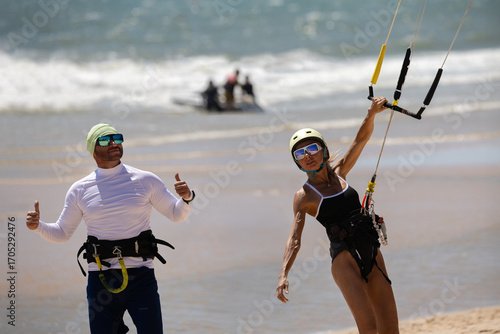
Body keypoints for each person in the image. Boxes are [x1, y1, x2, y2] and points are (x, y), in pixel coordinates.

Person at [26, 123, 195, 334]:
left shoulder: (146, 180)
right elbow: (62, 233)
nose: (114, 143)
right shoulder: (79, 190)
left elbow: (176, 214)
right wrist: (38, 226)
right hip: (101, 280)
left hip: (141, 277)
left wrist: (186, 198)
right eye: (105, 140)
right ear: (93, 150)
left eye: (117, 138)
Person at [276, 97, 399, 334]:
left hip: (372, 252)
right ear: (297, 162)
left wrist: (371, 113)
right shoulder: (304, 196)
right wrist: (283, 274)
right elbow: (294, 239)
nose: (308, 155)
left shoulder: (341, 172)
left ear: (324, 150)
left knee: (391, 329)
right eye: (300, 153)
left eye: (312, 148)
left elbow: (360, 139)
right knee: (369, 327)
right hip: (344, 261)